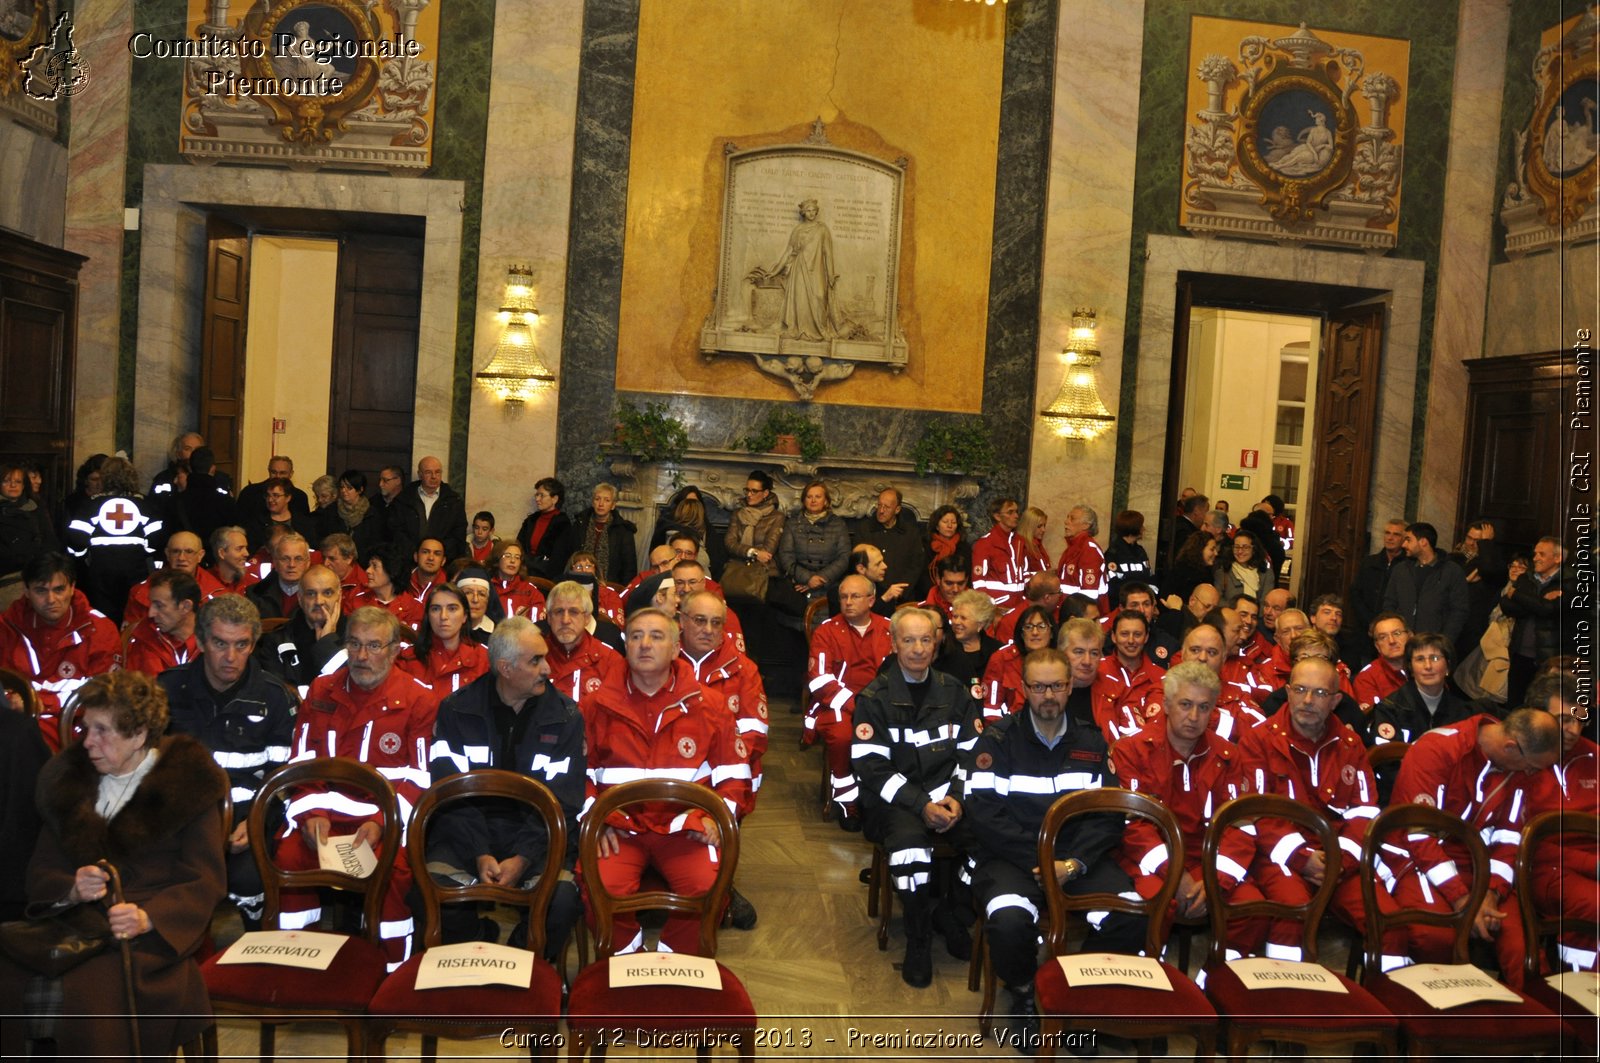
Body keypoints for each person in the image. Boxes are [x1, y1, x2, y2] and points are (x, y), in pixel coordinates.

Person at [1, 670, 226, 1057]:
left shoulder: (188, 783)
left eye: (102, 731)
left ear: (139, 734)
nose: (87, 742)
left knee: (87, 995)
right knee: (8, 975)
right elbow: (39, 870)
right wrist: (71, 886)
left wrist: (148, 917)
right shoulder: (68, 782)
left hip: (146, 938)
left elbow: (204, 880)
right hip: (73, 925)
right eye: (86, 727)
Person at [966, 647, 1145, 1026]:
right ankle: (1025, 993)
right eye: (1039, 686)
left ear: (1071, 686)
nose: (1048, 696)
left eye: (1057, 686)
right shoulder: (998, 741)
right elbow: (984, 816)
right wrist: (1041, 858)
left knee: (1130, 914)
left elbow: (1107, 817)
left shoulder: (1092, 743)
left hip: (1076, 860)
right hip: (1014, 859)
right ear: (1024, 688)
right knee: (1009, 922)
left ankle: (1079, 998)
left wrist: (1074, 863)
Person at [578, 607, 746, 955]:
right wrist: (596, 822)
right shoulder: (594, 705)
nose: (644, 644)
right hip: (619, 828)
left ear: (675, 648)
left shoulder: (710, 705)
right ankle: (624, 959)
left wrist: (717, 817)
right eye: (636, 636)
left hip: (685, 827)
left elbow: (734, 774)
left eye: (656, 636)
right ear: (626, 646)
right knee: (599, 887)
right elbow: (576, 775)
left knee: (707, 887)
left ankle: (676, 964)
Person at [280, 606, 440, 969]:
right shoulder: (322, 690)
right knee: (289, 857)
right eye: (354, 644)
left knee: (395, 872)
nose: (362, 656)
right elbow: (301, 762)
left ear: (396, 649)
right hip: (322, 818)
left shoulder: (419, 699)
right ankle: (294, 968)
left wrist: (383, 823)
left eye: (374, 646)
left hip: (382, 823)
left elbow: (419, 779)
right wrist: (310, 814)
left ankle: (391, 971)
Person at [426, 616, 585, 962]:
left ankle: (518, 964)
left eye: (545, 658)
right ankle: (474, 940)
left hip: (538, 834)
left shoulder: (566, 716)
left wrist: (523, 857)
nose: (547, 669)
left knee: (561, 903)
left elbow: (565, 801)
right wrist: (479, 852)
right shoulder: (456, 711)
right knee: (427, 894)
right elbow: (446, 791)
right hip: (468, 830)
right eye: (536, 660)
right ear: (505, 668)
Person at [1237, 656, 1398, 967]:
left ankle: (1384, 1006)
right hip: (1279, 856)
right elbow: (1256, 812)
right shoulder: (1259, 740)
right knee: (1293, 913)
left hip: (1338, 858)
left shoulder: (1351, 744)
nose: (1308, 700)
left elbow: (1364, 812)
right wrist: (1302, 858)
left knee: (1387, 921)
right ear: (1287, 691)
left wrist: (1341, 860)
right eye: (1299, 689)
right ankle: (1284, 998)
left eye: (1320, 693)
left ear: (1336, 700)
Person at [1387, 707, 1562, 989]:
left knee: (1523, 947)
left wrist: (1491, 893)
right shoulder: (1437, 749)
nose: (1532, 774)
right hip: (1414, 858)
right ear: (1510, 747)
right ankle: (1443, 1024)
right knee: (1435, 939)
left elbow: (1510, 837)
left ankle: (1539, 1026)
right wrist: (1462, 899)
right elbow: (1419, 838)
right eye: (1532, 766)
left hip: (1476, 862)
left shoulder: (1518, 768)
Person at [851, 606, 981, 987]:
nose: (918, 649)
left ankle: (953, 915)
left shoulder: (954, 692)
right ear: (893, 644)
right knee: (910, 848)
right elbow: (871, 768)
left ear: (937, 642)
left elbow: (974, 756)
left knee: (993, 839)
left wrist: (957, 798)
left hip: (948, 799)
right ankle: (919, 933)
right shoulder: (874, 698)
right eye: (908, 640)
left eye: (926, 639)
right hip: (895, 803)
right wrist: (920, 805)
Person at [160, 592, 296, 929]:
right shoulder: (167, 691)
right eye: (220, 644)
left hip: (245, 820)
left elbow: (284, 780)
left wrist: (255, 824)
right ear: (202, 641)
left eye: (242, 645)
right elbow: (145, 770)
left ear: (253, 644)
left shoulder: (275, 698)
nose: (231, 657)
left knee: (252, 881)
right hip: (178, 822)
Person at [1112, 661, 1263, 957]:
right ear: (1167, 705)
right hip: (1151, 862)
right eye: (1185, 704)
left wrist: (1216, 881)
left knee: (1252, 910)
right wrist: (1176, 874)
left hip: (1209, 863)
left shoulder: (1228, 756)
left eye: (1204, 707)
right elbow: (1134, 827)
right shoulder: (1131, 750)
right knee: (1156, 905)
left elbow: (1241, 825)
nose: (1194, 717)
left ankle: (1215, 985)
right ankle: (1155, 986)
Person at [0, 553, 119, 748]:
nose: (51, 599)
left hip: (76, 728)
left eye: (59, 589)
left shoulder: (99, 629)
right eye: (41, 590)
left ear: (72, 588)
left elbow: (104, 694)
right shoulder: (7, 625)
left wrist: (36, 701)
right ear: (26, 591)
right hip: (14, 722)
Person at [64, 455, 161, 623]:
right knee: (135, 617)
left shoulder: (92, 504)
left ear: (105, 478)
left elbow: (76, 541)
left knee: (103, 620)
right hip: (136, 571)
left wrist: (82, 560)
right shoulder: (144, 504)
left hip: (101, 572)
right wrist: (144, 555)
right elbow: (157, 540)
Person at [752, 197, 844, 340]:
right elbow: (789, 251)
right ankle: (801, 330)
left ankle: (820, 330)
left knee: (820, 296)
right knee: (800, 300)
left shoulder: (822, 229)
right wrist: (775, 271)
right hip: (800, 268)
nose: (811, 213)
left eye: (814, 210)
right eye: (808, 210)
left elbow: (828, 252)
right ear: (803, 212)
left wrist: (831, 274)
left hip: (817, 269)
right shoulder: (798, 230)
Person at [1369, 633, 1481, 745]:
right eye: (1420, 659)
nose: (1428, 666)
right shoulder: (1390, 709)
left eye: (1435, 658)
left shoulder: (1462, 711)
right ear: (1410, 667)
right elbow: (1386, 758)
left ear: (1448, 666)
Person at [255, 564, 347, 696]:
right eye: (311, 594)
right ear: (300, 598)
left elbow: (356, 688)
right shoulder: (276, 640)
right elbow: (278, 695)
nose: (319, 601)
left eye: (327, 593)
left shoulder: (359, 637)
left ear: (339, 596)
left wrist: (327, 644)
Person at [1499, 536, 1568, 709]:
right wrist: (1539, 602)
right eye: (1535, 553)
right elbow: (1506, 606)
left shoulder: (1569, 582)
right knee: (1514, 705)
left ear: (1557, 558)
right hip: (1519, 654)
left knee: (1540, 709)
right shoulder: (1526, 578)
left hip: (1548, 660)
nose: (1535, 558)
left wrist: (1517, 595)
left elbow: (1549, 610)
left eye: (1541, 554)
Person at [1381, 521, 1470, 649]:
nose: (1404, 544)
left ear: (1423, 542)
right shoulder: (1401, 569)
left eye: (1408, 540)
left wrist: (1444, 642)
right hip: (1401, 643)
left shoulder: (1452, 571)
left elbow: (1459, 611)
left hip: (1435, 645)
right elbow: (1389, 603)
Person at [771, 479, 851, 616]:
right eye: (809, 497)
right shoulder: (792, 524)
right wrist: (807, 578)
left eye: (818, 497)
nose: (813, 500)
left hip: (828, 586)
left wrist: (820, 578)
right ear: (804, 500)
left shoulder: (838, 524)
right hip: (799, 588)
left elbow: (844, 557)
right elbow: (786, 556)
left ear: (826, 501)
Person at [398, 581, 489, 696]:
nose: (443, 616)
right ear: (428, 616)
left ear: (465, 616)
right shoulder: (407, 659)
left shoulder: (484, 659)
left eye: (452, 609)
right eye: (436, 609)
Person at [540, 579, 624, 703]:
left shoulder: (610, 661)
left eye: (574, 612)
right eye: (559, 612)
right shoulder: (533, 658)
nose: (565, 620)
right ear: (549, 618)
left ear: (586, 618)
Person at [1091, 607, 1166, 745]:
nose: (1131, 640)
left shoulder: (1162, 678)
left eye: (1137, 634)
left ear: (1146, 637)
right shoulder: (1097, 671)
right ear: (1113, 637)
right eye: (1124, 634)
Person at [122, 531, 222, 626]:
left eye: (189, 551)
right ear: (167, 554)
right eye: (175, 551)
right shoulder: (140, 593)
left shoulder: (218, 594)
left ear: (200, 555)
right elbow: (132, 637)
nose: (181, 558)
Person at [981, 602, 1057, 719]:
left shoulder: (1061, 661)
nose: (1035, 632)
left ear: (1051, 632)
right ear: (1021, 634)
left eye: (1041, 627)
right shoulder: (1001, 658)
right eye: (1028, 627)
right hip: (1010, 730)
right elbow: (991, 709)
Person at [120, 569, 200, 676]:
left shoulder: (215, 644)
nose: (150, 613)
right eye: (151, 604)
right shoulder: (143, 640)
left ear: (186, 607)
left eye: (159, 605)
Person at [855, 487, 928, 600]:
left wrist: (900, 591)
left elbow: (915, 566)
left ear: (897, 509)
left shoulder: (911, 532)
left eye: (887, 507)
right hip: (870, 594)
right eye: (879, 505)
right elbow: (859, 563)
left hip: (901, 595)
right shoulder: (864, 529)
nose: (881, 511)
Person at [724, 470, 785, 587]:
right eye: (747, 490)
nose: (749, 495)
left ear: (765, 493)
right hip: (737, 568)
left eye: (754, 491)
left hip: (763, 572)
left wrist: (745, 551)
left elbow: (768, 550)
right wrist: (753, 552)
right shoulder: (738, 513)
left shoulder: (777, 516)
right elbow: (729, 543)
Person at [1349, 517, 1408, 637]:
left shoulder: (1407, 567)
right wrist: (1369, 620)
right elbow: (1356, 593)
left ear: (1404, 539)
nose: (1390, 538)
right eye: (1387, 533)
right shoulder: (1369, 562)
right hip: (1364, 627)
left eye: (1396, 534)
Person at [570, 483, 637, 586]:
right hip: (578, 583)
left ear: (613, 505)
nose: (601, 504)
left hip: (610, 585)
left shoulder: (623, 530)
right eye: (597, 499)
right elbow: (570, 556)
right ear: (593, 502)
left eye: (607, 500)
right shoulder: (580, 524)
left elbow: (629, 568)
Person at [0, 459, 56, 577]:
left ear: (24, 485)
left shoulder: (36, 507)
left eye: (18, 481)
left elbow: (49, 540)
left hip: (37, 573)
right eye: (6, 481)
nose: (13, 485)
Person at [970, 497, 1026, 611]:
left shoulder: (1020, 542)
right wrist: (991, 607)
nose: (1016, 516)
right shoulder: (985, 544)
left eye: (1016, 512)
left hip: (1019, 607)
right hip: (996, 609)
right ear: (997, 516)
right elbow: (978, 584)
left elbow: (1025, 575)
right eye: (1010, 512)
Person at [517, 477, 575, 580]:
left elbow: (558, 559)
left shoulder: (563, 524)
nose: (537, 499)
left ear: (554, 499)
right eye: (537, 495)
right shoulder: (531, 520)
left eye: (542, 495)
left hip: (548, 578)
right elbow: (519, 545)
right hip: (525, 572)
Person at [1352, 612, 1410, 714]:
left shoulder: (1425, 667)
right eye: (1383, 637)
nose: (1392, 641)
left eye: (1397, 633)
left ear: (1409, 636)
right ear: (1377, 646)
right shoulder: (1366, 678)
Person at [245, 531, 311, 620]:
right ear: (275, 563)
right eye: (285, 559)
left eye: (298, 559)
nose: (291, 565)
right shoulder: (254, 594)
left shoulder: (319, 596)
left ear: (308, 563)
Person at [243, 476, 318, 555]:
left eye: (276, 495)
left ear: (288, 498)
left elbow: (312, 550)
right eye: (268, 495)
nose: (270, 500)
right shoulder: (256, 523)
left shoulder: (304, 523)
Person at [235, 455, 310, 528]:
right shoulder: (250, 493)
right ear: (269, 471)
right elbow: (239, 522)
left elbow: (304, 525)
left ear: (291, 474)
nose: (278, 476)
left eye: (282, 473)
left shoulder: (300, 497)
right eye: (274, 472)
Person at [362, 541, 424, 630]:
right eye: (369, 565)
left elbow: (412, 641)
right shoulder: (357, 602)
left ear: (392, 570)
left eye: (374, 566)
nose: (368, 570)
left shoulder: (414, 608)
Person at [1055, 504, 1106, 611]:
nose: (1066, 521)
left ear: (1086, 525)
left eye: (1072, 518)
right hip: (1069, 612)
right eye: (1067, 517)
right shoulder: (1072, 548)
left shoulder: (1089, 551)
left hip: (1081, 616)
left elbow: (1089, 596)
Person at [330, 470, 384, 563]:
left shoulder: (371, 513)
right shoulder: (332, 510)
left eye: (349, 488)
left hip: (362, 563)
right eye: (342, 487)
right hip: (336, 561)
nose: (344, 491)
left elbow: (376, 544)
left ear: (360, 490)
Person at [1103, 509, 1153, 606]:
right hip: (1122, 605)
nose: (1143, 529)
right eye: (1141, 526)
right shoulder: (1113, 553)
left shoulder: (1140, 551)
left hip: (1141, 603)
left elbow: (1149, 577)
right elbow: (1113, 584)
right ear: (1133, 528)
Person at [490, 541, 546, 620]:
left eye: (517, 557)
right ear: (497, 559)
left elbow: (540, 619)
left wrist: (527, 616)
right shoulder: (487, 587)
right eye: (508, 556)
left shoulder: (530, 590)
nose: (513, 561)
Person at [1164, 530, 1218, 608]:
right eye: (1212, 549)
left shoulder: (1208, 573)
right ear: (1200, 549)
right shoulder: (1181, 573)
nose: (1216, 553)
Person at [1214, 528, 1270, 605]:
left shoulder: (1266, 574)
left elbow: (1265, 604)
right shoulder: (1222, 572)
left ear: (1254, 549)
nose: (1240, 551)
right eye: (1237, 547)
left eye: (1245, 547)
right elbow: (1217, 601)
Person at [924, 504, 967, 588]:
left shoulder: (964, 547)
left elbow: (966, 574)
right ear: (937, 526)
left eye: (953, 522)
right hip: (929, 591)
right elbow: (923, 574)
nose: (949, 526)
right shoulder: (926, 544)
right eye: (945, 522)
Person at [207, 525, 257, 597]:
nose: (247, 554)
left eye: (246, 548)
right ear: (222, 553)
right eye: (239, 549)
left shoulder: (253, 580)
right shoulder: (205, 582)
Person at [922, 554, 970, 620]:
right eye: (949, 583)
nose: (955, 589)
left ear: (967, 580)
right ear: (938, 579)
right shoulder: (921, 613)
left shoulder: (979, 609)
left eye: (960, 583)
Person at [1016, 505, 1051, 581]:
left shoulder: (1037, 545)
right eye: (1039, 526)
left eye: (1044, 525)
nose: (1043, 530)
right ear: (1029, 526)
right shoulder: (1022, 546)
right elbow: (1021, 574)